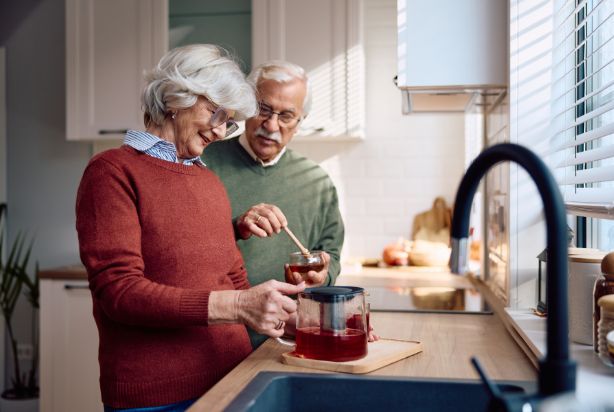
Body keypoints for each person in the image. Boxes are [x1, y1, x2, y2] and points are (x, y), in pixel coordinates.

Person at [75, 45, 305, 411]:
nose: (220, 131)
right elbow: (119, 293)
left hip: (233, 377)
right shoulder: (112, 172)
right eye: (216, 114)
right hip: (155, 395)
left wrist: (285, 319)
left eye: (228, 121)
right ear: (175, 99)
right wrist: (239, 305)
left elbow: (231, 276)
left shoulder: (208, 180)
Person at [202, 61, 345, 347]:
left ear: (300, 121)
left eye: (286, 116)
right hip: (213, 339)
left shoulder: (316, 182)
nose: (271, 125)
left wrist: (323, 274)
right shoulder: (203, 161)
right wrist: (237, 227)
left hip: (283, 339)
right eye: (263, 110)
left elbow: (331, 256)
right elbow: (181, 246)